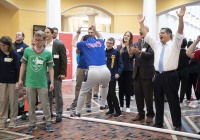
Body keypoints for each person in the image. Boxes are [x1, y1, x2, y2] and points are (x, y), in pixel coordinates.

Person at [137, 6, 186, 131]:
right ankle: (158, 122)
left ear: (169, 35)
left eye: (162, 33)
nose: (160, 35)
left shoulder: (175, 44)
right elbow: (146, 34)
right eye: (159, 33)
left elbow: (180, 31)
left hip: (170, 76)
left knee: (173, 100)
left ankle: (177, 124)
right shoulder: (157, 45)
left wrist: (180, 18)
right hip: (158, 75)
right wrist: (141, 23)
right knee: (158, 100)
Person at [18, 30, 55, 134]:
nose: (37, 42)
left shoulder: (47, 53)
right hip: (30, 82)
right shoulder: (28, 51)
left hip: (42, 82)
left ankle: (48, 122)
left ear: (44, 40)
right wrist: (20, 79)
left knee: (45, 104)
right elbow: (23, 65)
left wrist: (52, 82)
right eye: (36, 40)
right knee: (31, 104)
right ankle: (32, 124)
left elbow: (51, 68)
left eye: (40, 40)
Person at [70, 25, 111, 117]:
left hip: (93, 70)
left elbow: (73, 43)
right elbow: (100, 36)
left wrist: (77, 33)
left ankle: (77, 112)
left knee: (83, 91)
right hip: (105, 70)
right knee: (104, 86)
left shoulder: (83, 44)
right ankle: (103, 105)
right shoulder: (99, 42)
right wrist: (95, 30)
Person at [130, 26, 155, 123]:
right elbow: (132, 57)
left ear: (147, 31)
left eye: (142, 30)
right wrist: (131, 53)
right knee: (138, 95)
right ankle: (140, 113)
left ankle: (150, 114)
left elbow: (150, 55)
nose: (140, 32)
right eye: (139, 30)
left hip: (147, 73)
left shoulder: (151, 42)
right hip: (137, 73)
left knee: (148, 96)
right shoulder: (137, 42)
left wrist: (140, 52)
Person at [67, 27, 93, 112]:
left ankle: (88, 104)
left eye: (92, 32)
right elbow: (76, 49)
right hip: (81, 67)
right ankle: (76, 103)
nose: (90, 33)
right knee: (78, 86)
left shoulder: (96, 43)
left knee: (89, 87)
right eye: (89, 32)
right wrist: (78, 34)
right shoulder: (83, 45)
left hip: (90, 68)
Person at [44, 27, 67, 122]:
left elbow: (63, 59)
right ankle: (48, 113)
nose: (46, 34)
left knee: (58, 94)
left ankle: (59, 113)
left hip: (56, 73)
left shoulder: (59, 44)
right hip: (44, 74)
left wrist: (63, 73)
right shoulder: (42, 45)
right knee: (46, 95)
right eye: (45, 32)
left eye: (48, 32)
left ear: (52, 34)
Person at [0, 36, 20, 130]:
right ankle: (2, 121)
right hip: (2, 81)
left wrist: (18, 81)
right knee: (2, 101)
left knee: (13, 102)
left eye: (4, 45)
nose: (2, 47)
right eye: (0, 45)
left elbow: (17, 69)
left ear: (9, 45)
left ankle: (13, 120)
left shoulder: (14, 55)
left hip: (13, 81)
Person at [105, 37, 123, 117]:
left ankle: (118, 111)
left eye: (110, 43)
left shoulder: (116, 52)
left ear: (113, 44)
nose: (108, 44)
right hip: (104, 77)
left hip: (112, 76)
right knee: (107, 94)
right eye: (107, 42)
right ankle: (111, 109)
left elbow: (121, 64)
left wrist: (118, 73)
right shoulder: (103, 52)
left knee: (112, 93)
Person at [117, 31, 134, 112]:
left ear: (130, 38)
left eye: (128, 35)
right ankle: (121, 105)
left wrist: (127, 47)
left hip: (129, 70)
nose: (126, 37)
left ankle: (127, 106)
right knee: (121, 89)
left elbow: (131, 56)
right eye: (125, 35)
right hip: (120, 70)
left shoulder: (132, 46)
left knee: (127, 89)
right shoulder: (119, 46)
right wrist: (122, 47)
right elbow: (118, 57)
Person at [177, 38, 190, 107]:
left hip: (177, 71)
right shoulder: (187, 52)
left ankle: (176, 99)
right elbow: (189, 60)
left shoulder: (176, 52)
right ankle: (181, 100)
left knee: (176, 86)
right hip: (185, 71)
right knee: (183, 86)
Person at [186, 35, 200, 100]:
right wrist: (197, 41)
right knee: (190, 87)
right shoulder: (198, 52)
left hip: (191, 72)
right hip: (194, 73)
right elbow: (188, 52)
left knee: (188, 86)